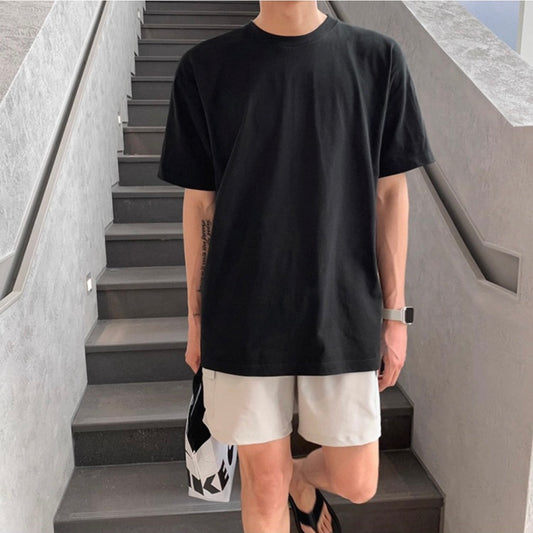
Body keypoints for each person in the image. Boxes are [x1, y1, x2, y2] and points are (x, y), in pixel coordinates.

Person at [157, 2, 435, 532]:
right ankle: (283, 479)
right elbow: (201, 205)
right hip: (243, 314)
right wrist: (195, 319)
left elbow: (391, 194)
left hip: (342, 305)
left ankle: (299, 477)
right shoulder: (205, 68)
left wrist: (395, 315)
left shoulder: (377, 60)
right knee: (263, 486)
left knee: (359, 479)